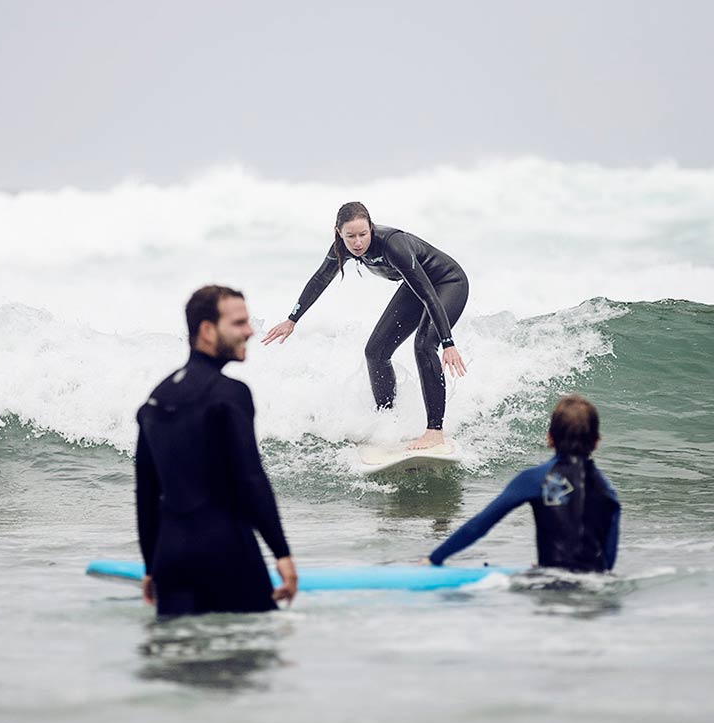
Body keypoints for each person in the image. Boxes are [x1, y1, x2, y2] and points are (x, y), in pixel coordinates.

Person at [135, 285, 298, 616]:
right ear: (207, 330)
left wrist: (151, 564)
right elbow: (250, 477)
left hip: (171, 559)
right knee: (248, 660)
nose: (250, 331)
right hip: (226, 553)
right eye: (239, 323)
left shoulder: (156, 398)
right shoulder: (230, 394)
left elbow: (147, 492)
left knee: (177, 661)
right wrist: (281, 553)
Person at [261, 202, 469, 450]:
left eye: (363, 234)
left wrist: (448, 343)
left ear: (371, 228)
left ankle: (435, 430)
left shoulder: (394, 244)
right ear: (339, 233)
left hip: (447, 283)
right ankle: (387, 420)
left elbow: (429, 296)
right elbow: (320, 279)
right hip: (416, 287)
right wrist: (292, 319)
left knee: (424, 345)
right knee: (376, 352)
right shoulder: (342, 248)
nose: (358, 242)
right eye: (350, 236)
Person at [427, 395, 620, 572]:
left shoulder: (536, 478)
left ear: (549, 438)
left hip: (550, 583)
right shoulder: (607, 490)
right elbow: (608, 559)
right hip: (594, 586)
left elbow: (479, 525)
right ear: (596, 442)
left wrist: (434, 559)